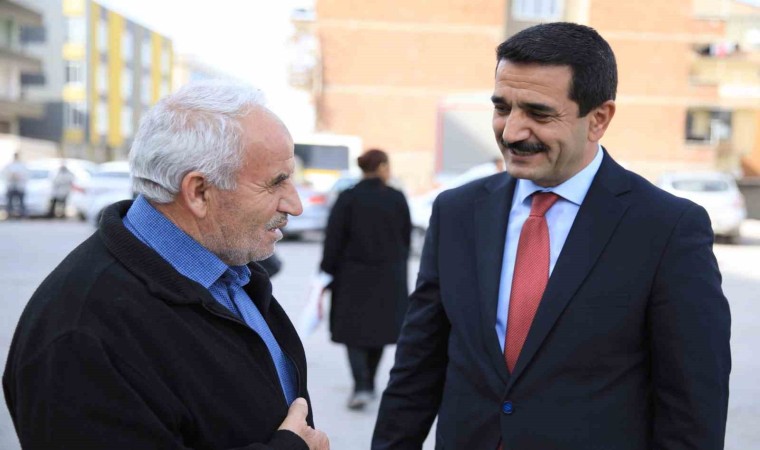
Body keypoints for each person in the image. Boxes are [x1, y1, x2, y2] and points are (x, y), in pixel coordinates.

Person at [372, 22, 730, 449]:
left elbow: (692, 406)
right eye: (502, 107)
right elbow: (417, 367)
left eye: (538, 113)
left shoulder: (667, 228)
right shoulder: (457, 213)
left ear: (598, 119)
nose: (511, 132)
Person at [3, 81, 329, 450]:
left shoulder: (228, 271)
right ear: (199, 192)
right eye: (275, 183)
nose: (295, 205)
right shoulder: (81, 336)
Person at [320, 149, 411, 410]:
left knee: (355, 333)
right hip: (388, 277)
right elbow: (405, 238)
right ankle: (368, 383)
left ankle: (362, 385)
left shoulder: (348, 198)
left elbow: (333, 238)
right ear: (382, 167)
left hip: (352, 276)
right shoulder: (395, 198)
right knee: (379, 332)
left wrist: (327, 270)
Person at [3, 153, 28, 218]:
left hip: (20, 186)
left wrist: (19, 176)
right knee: (9, 202)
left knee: (21, 202)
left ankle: (22, 215)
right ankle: (9, 215)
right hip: (11, 186)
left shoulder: (22, 165)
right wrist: (11, 176)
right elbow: (5, 173)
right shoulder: (10, 165)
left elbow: (26, 175)